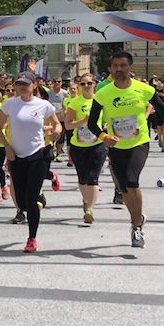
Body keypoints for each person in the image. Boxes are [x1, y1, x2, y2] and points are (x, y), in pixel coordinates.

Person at [88, 51, 164, 248]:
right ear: (111, 69)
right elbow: (91, 123)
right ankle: (137, 219)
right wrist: (104, 137)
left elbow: (161, 108)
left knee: (131, 180)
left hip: (139, 143)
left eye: (123, 65)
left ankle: (136, 227)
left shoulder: (143, 89)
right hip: (116, 145)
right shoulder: (103, 94)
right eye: (115, 66)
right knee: (124, 187)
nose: (119, 69)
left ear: (130, 67)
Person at [0, 72, 62, 253]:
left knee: (30, 201)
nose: (22, 86)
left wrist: (56, 131)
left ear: (34, 86)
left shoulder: (43, 105)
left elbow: (57, 124)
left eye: (26, 83)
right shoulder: (9, 104)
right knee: (22, 203)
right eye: (19, 83)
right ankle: (49, 180)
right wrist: (7, 146)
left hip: (38, 155)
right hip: (16, 156)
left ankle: (32, 238)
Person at [64, 73, 106, 225]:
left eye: (89, 83)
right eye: (83, 84)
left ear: (95, 84)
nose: (86, 86)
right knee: (83, 178)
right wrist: (83, 121)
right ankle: (85, 199)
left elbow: (109, 119)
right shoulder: (75, 102)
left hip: (97, 144)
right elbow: (68, 125)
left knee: (93, 178)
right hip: (79, 145)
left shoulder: (101, 100)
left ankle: (90, 209)